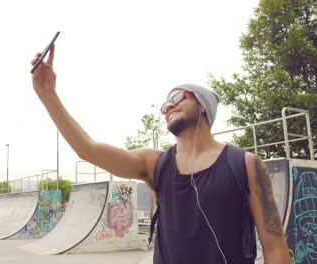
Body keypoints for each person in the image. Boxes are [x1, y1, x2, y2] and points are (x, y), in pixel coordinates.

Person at [30, 45, 289, 264]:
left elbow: (274, 246)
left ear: (203, 106)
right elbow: (88, 149)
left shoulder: (244, 164)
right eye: (165, 105)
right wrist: (48, 95)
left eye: (177, 97)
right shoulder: (155, 164)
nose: (169, 106)